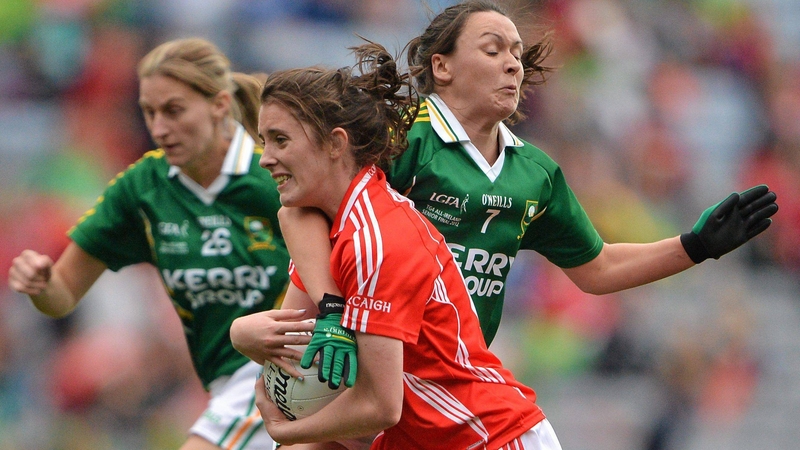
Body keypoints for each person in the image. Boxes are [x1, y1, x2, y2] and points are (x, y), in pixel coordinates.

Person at [231, 0, 779, 389]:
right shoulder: (402, 136)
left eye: (516, 52)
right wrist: (326, 312)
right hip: (352, 359)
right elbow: (300, 208)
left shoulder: (533, 172)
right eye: (493, 49)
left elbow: (598, 269)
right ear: (440, 66)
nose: (513, 62)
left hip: (452, 378)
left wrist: (695, 245)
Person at [252, 39, 562, 450]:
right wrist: (246, 336)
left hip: (491, 437)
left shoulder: (374, 238)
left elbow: (381, 407)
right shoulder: (339, 220)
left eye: (280, 140)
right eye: (263, 141)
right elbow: (291, 345)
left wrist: (284, 432)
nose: (265, 158)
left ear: (335, 144)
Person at [7, 38, 292, 450]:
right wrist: (42, 284)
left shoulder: (272, 173)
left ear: (218, 105)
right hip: (226, 383)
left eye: (174, 111)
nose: (159, 128)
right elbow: (64, 293)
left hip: (284, 372)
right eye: (149, 112)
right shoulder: (142, 188)